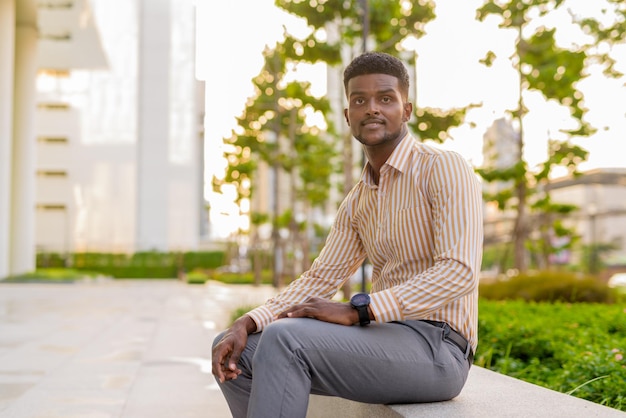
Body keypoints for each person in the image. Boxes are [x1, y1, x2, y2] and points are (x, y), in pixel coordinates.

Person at [211, 51, 483, 418]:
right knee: (236, 349)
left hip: (439, 348)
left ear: (407, 110)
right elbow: (321, 278)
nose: (372, 108)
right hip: (383, 337)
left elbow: (460, 271)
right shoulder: (358, 200)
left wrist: (361, 310)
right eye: (360, 100)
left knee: (285, 339)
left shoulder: (443, 168)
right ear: (348, 116)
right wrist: (248, 320)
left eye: (385, 98)